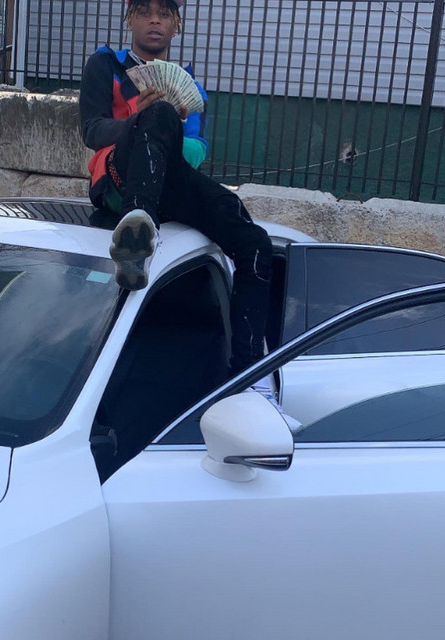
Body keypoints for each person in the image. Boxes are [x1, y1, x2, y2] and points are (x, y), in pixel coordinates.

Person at [79, 0, 273, 378]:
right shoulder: (105, 64)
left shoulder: (190, 86)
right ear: (130, 19)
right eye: (144, 11)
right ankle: (136, 231)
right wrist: (141, 120)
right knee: (159, 113)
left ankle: (249, 375)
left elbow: (196, 151)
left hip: (167, 179)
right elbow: (92, 130)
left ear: (176, 24)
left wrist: (168, 130)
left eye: (164, 13)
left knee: (254, 241)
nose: (154, 20)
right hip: (116, 179)